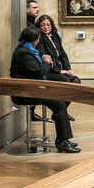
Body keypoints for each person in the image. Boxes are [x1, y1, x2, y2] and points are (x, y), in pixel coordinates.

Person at [9, 25, 79, 153]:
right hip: (25, 93)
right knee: (59, 104)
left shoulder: (26, 50)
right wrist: (46, 62)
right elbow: (40, 74)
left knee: (60, 102)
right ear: (35, 39)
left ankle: (62, 140)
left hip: (31, 90)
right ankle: (62, 142)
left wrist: (42, 61)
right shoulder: (24, 53)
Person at [35, 14, 78, 83]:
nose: (46, 27)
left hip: (60, 69)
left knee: (76, 80)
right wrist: (59, 71)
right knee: (69, 81)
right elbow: (46, 58)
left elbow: (63, 54)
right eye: (42, 25)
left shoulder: (55, 35)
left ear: (52, 25)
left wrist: (68, 69)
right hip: (50, 71)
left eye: (48, 25)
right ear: (39, 27)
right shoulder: (39, 38)